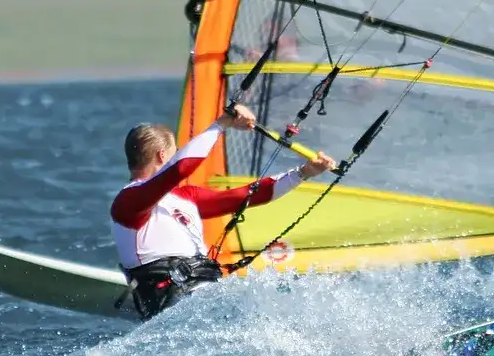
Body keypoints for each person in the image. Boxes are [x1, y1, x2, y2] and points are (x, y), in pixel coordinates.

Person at [110, 103, 336, 320]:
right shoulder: (128, 202)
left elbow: (248, 195)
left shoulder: (184, 198)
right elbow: (180, 168)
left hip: (207, 296)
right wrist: (221, 124)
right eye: (174, 152)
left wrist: (303, 172)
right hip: (172, 305)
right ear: (162, 156)